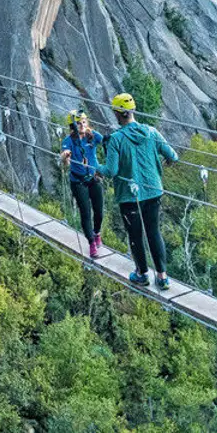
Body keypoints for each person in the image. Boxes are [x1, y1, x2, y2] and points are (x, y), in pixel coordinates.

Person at [101, 92, 178, 290]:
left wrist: (95, 168)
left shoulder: (116, 139)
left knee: (135, 234)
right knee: (154, 231)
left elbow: (110, 171)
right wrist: (163, 164)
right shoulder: (152, 132)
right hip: (153, 191)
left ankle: (142, 274)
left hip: (129, 195)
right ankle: (162, 277)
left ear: (117, 113)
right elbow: (173, 156)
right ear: (133, 110)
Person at [59, 110, 105, 257]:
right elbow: (64, 156)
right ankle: (91, 243)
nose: (82, 125)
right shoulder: (69, 140)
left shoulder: (92, 135)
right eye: (78, 123)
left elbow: (105, 141)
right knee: (85, 213)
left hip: (93, 177)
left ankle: (97, 232)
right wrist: (65, 156)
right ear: (72, 126)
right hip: (78, 181)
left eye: (84, 121)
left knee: (99, 212)